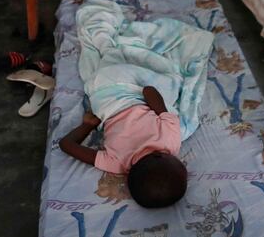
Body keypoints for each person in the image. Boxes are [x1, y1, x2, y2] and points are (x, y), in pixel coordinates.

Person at [59, 85, 188, 208]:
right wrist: (88, 125)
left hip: (124, 94)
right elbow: (66, 144)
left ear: (158, 155)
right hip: (104, 103)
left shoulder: (171, 139)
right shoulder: (115, 163)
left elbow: (148, 90)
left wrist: (148, 92)